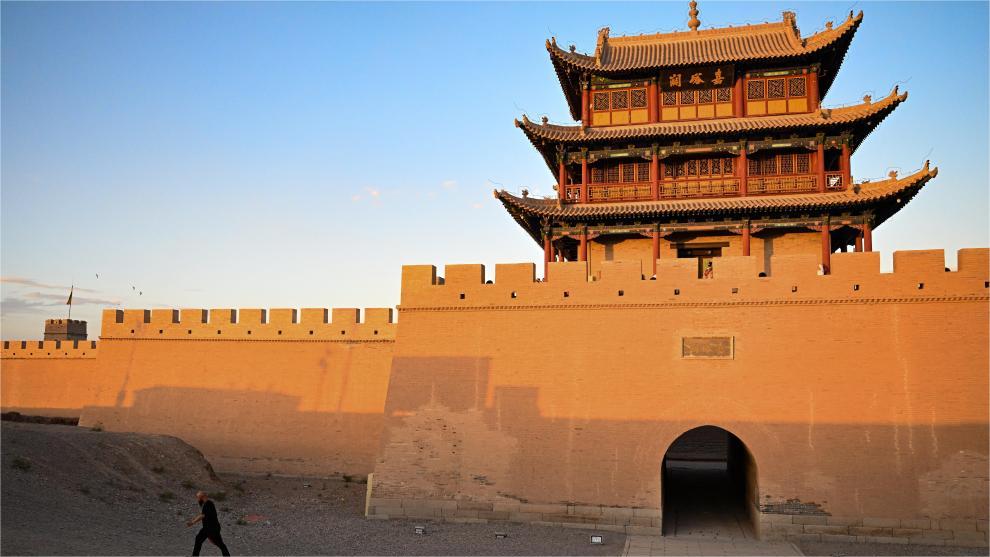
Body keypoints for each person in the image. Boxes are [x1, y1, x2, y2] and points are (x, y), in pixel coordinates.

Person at [187, 491, 230, 556]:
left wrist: (192, 522)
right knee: (198, 539)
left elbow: (202, 515)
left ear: (202, 497)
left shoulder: (208, 504)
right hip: (207, 528)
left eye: (198, 497)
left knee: (219, 543)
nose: (197, 499)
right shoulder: (206, 504)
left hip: (212, 528)